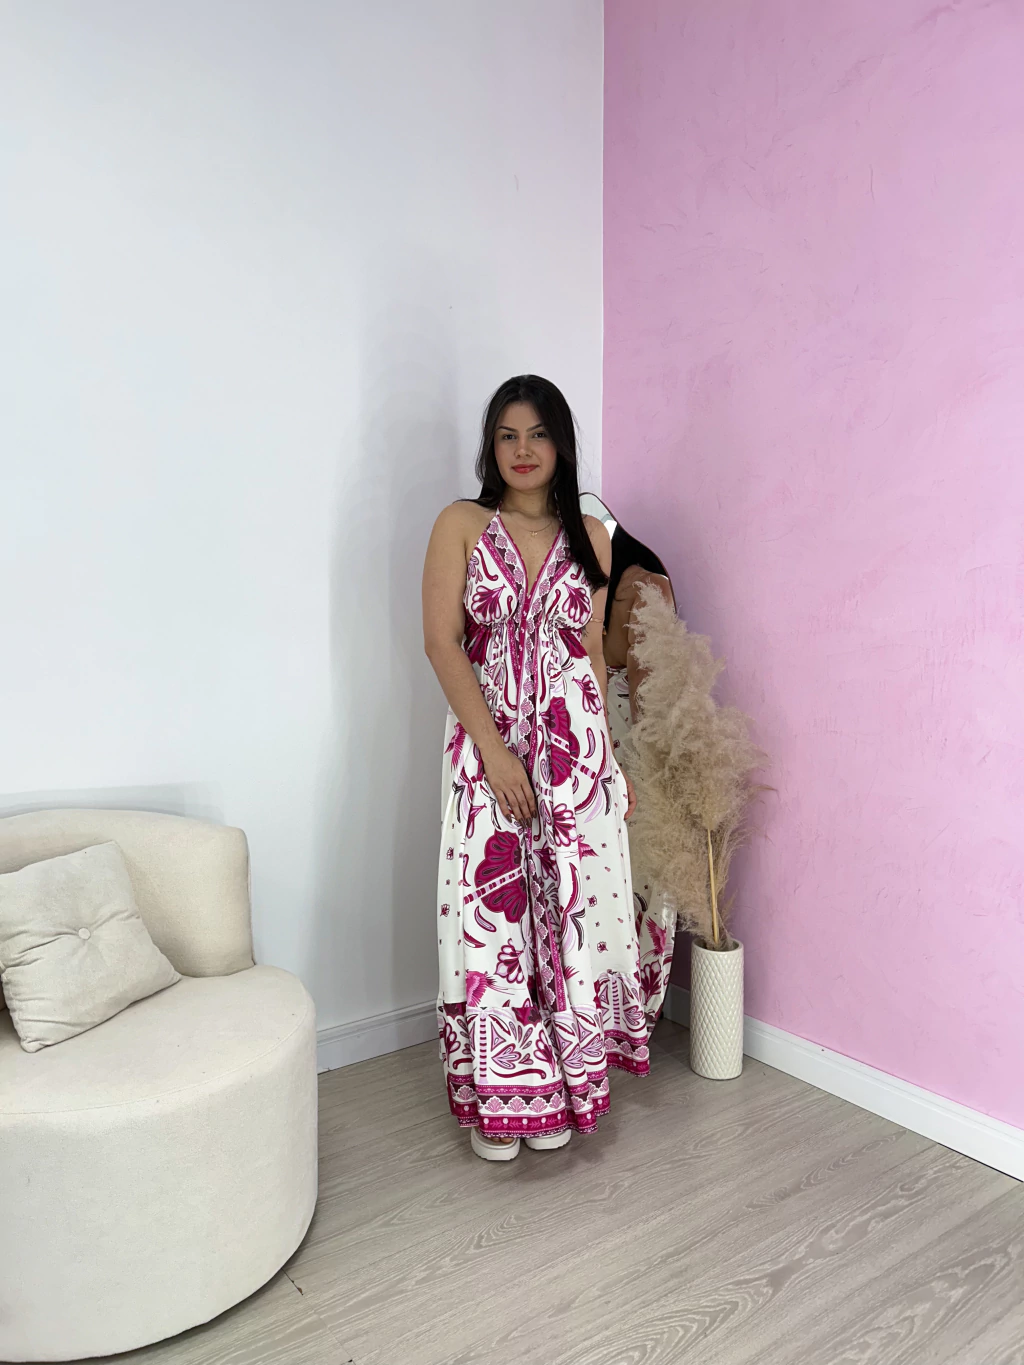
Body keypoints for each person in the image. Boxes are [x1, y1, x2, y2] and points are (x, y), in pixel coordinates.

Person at [422, 375, 650, 1162]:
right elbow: (442, 642)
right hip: (488, 748)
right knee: (492, 912)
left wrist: (609, 761)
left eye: (539, 434)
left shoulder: (592, 533)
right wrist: (493, 751)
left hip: (572, 753)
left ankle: (559, 1086)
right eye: (508, 434)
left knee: (570, 912)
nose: (523, 450)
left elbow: (590, 655)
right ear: (490, 445)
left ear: (561, 444)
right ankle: (501, 1095)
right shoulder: (460, 523)